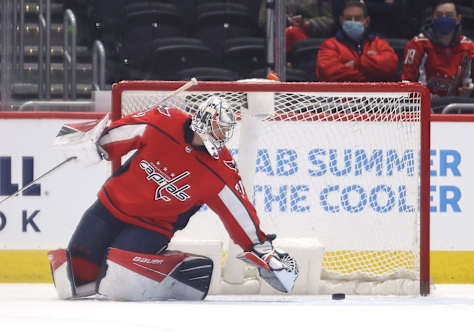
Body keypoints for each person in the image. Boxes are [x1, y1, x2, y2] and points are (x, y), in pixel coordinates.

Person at [48, 95, 298, 301]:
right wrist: (95, 143)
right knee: (73, 277)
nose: (221, 136)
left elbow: (238, 212)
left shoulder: (221, 170)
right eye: (218, 128)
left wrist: (260, 248)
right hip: (109, 208)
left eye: (225, 130)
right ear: (202, 121)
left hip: (151, 226)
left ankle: (176, 268)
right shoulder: (162, 122)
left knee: (120, 284)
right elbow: (120, 134)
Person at [401, 0, 474, 101]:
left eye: (449, 15)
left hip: (459, 106)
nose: (444, 19)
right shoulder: (417, 44)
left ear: (458, 19)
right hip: (424, 106)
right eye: (439, 15)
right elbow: (407, 83)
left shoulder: (469, 47)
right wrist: (423, 96)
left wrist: (471, 91)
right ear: (433, 18)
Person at [315, 1, 399, 82]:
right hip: (343, 94)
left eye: (357, 18)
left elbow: (390, 67)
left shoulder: (379, 43)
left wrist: (356, 63)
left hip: (375, 94)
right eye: (348, 18)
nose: (353, 21)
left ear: (367, 21)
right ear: (341, 20)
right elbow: (328, 73)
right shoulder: (329, 45)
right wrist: (367, 75)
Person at [258, 0, 335, 53]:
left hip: (311, 39)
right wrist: (287, 20)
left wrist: (308, 23)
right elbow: (264, 21)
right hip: (279, 39)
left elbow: (330, 22)